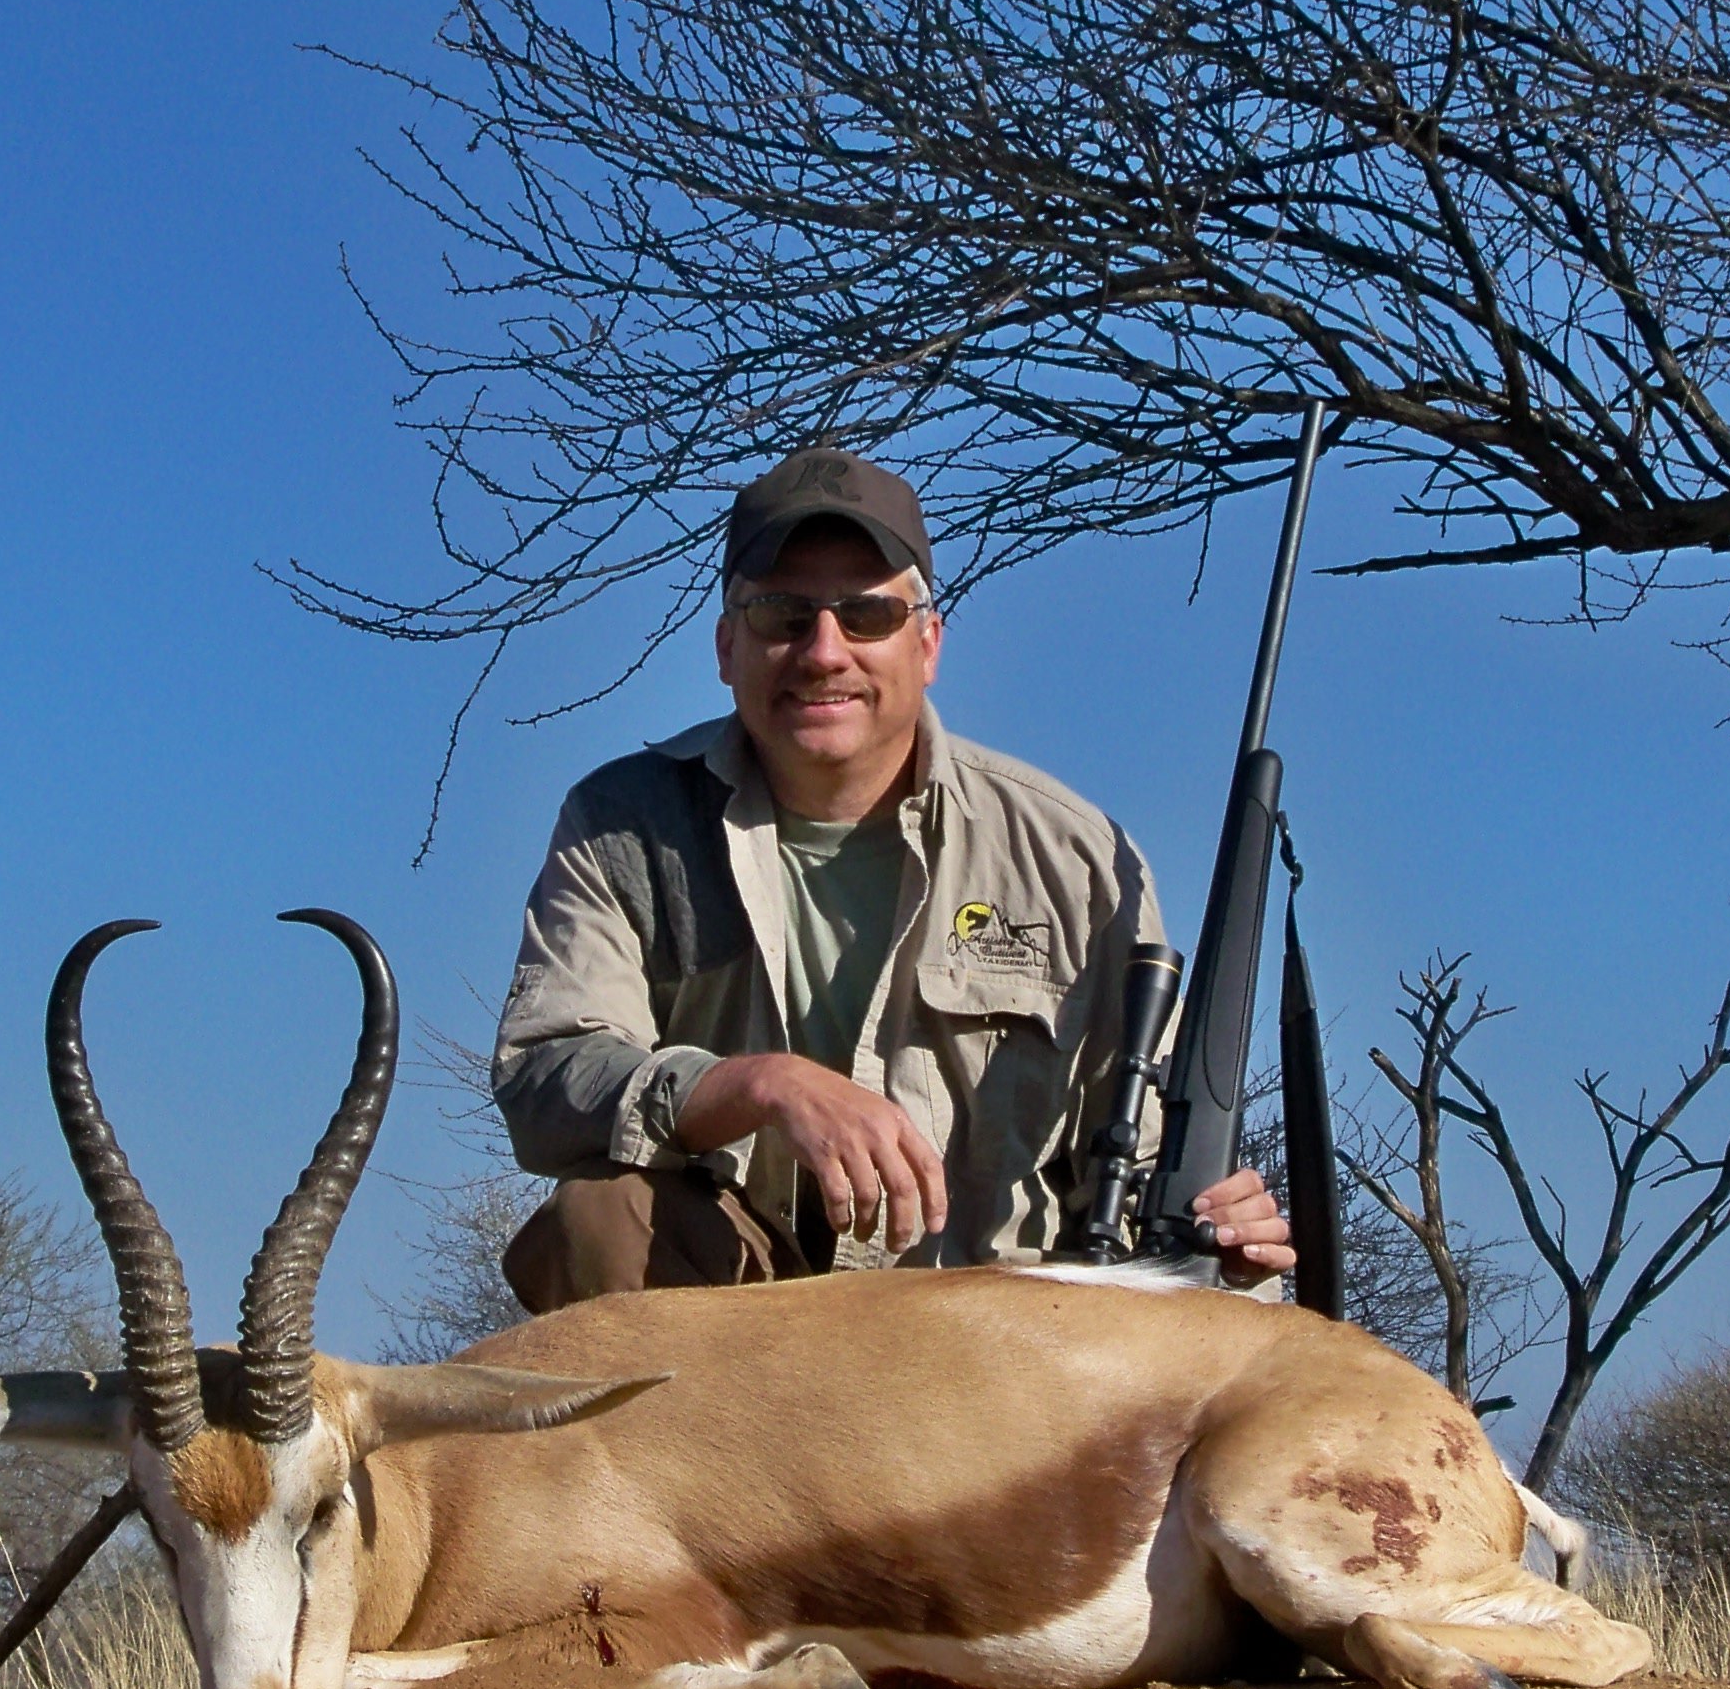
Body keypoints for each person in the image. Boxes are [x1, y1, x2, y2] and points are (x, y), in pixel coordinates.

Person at [492, 444, 1296, 1307]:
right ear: (728, 645)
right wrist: (756, 1086)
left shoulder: (1076, 855)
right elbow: (547, 1075)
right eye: (780, 615)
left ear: (929, 643)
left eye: (868, 616)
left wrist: (1223, 1247)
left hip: (993, 1340)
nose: (824, 651)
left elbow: (1142, 1164)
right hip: (732, 1339)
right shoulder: (623, 821)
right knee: (601, 1219)